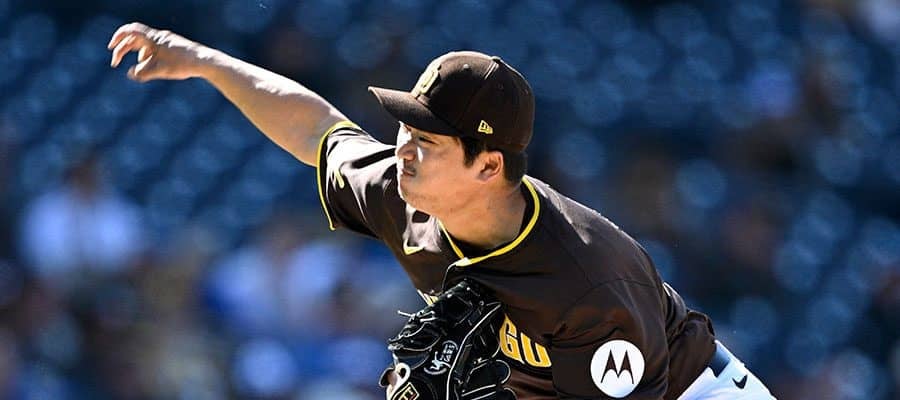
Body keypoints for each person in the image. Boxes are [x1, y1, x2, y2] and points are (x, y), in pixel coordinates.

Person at [108, 22, 776, 399]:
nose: (402, 149)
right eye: (406, 127)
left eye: (427, 140)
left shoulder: (587, 283)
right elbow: (316, 129)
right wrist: (204, 61)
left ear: (489, 166)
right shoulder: (409, 198)